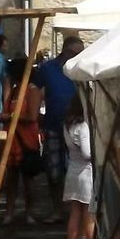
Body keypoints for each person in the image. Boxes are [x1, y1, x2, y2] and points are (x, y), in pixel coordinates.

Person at [38, 35, 86, 223]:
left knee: (78, 171)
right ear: (64, 51)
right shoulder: (48, 69)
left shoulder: (82, 68)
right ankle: (57, 209)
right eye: (74, 53)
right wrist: (35, 117)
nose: (77, 57)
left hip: (79, 126)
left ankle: (75, 211)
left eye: (81, 53)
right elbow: (36, 90)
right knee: (54, 170)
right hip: (54, 125)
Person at [3, 59, 47, 224]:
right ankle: (9, 213)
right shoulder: (13, 92)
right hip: (12, 138)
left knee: (28, 177)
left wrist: (11, 117)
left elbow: (32, 116)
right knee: (11, 177)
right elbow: (4, 109)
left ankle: (29, 213)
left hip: (26, 139)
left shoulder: (32, 91)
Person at [62, 89, 95, 239]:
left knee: (75, 214)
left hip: (72, 170)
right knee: (89, 216)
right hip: (85, 172)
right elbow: (87, 153)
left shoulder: (67, 125)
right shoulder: (83, 126)